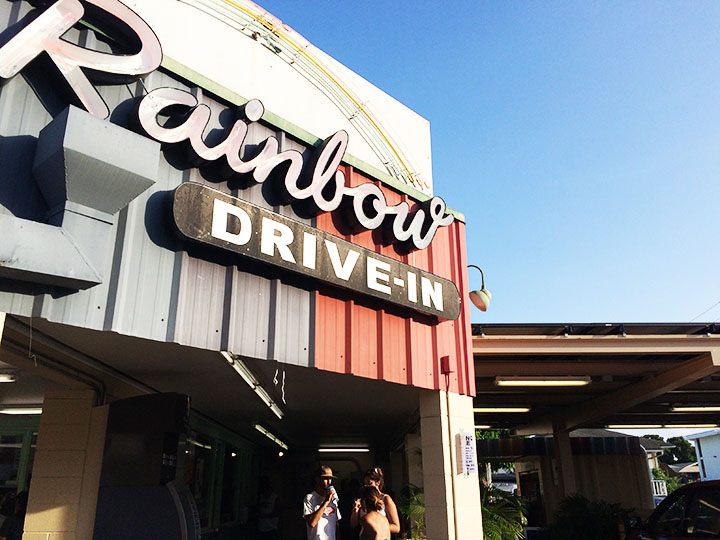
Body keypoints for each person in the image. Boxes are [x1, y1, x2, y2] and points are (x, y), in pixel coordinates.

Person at [350, 467, 400, 535]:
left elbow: (396, 527)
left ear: (378, 483)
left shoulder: (386, 499)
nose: (367, 487)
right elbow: (354, 525)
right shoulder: (362, 499)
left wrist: (377, 527)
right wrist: (355, 510)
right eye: (365, 484)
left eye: (369, 484)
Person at [303, 465, 341, 540]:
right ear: (317, 479)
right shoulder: (310, 498)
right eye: (325, 478)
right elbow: (312, 523)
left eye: (330, 478)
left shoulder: (333, 498)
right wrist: (326, 502)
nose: (329, 481)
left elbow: (336, 524)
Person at [256, 475, 280, 540]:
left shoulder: (275, 498)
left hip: (271, 529)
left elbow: (277, 513)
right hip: (261, 528)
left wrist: (264, 516)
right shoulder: (261, 496)